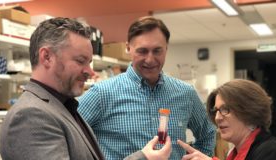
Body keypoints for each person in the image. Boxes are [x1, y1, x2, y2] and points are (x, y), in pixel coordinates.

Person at [0, 17, 172, 160]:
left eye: (89, 63)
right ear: (47, 57)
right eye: (80, 61)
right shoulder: (31, 116)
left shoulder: (63, 106)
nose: (90, 72)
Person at [78, 16, 216, 159]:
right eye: (142, 51)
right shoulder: (102, 94)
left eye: (157, 51)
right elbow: (68, 135)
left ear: (166, 49)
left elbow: (208, 133)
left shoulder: (186, 93)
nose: (150, 59)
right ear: (128, 48)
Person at [177, 79, 276, 160]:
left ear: (249, 110)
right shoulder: (234, 152)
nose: (217, 118)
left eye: (225, 109)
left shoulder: (272, 152)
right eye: (216, 110)